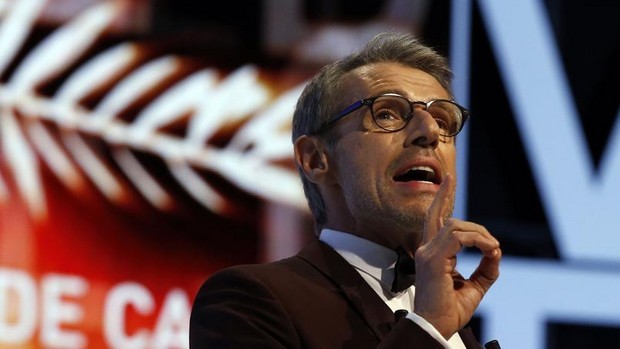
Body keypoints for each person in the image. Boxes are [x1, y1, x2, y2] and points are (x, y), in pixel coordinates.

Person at [189, 31, 502, 348]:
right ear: (315, 159)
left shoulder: (460, 318)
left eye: (442, 119)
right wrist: (428, 327)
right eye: (387, 113)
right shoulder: (250, 301)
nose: (429, 132)